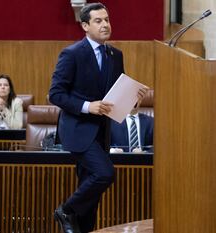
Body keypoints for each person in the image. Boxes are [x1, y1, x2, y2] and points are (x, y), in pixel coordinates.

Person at [48, 3, 147, 233]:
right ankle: (66, 210)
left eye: (107, 20)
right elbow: (55, 94)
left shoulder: (115, 55)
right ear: (85, 26)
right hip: (78, 129)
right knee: (105, 173)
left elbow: (114, 96)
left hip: (102, 133)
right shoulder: (71, 54)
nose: (105, 25)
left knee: (91, 200)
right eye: (98, 21)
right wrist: (86, 106)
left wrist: (133, 100)